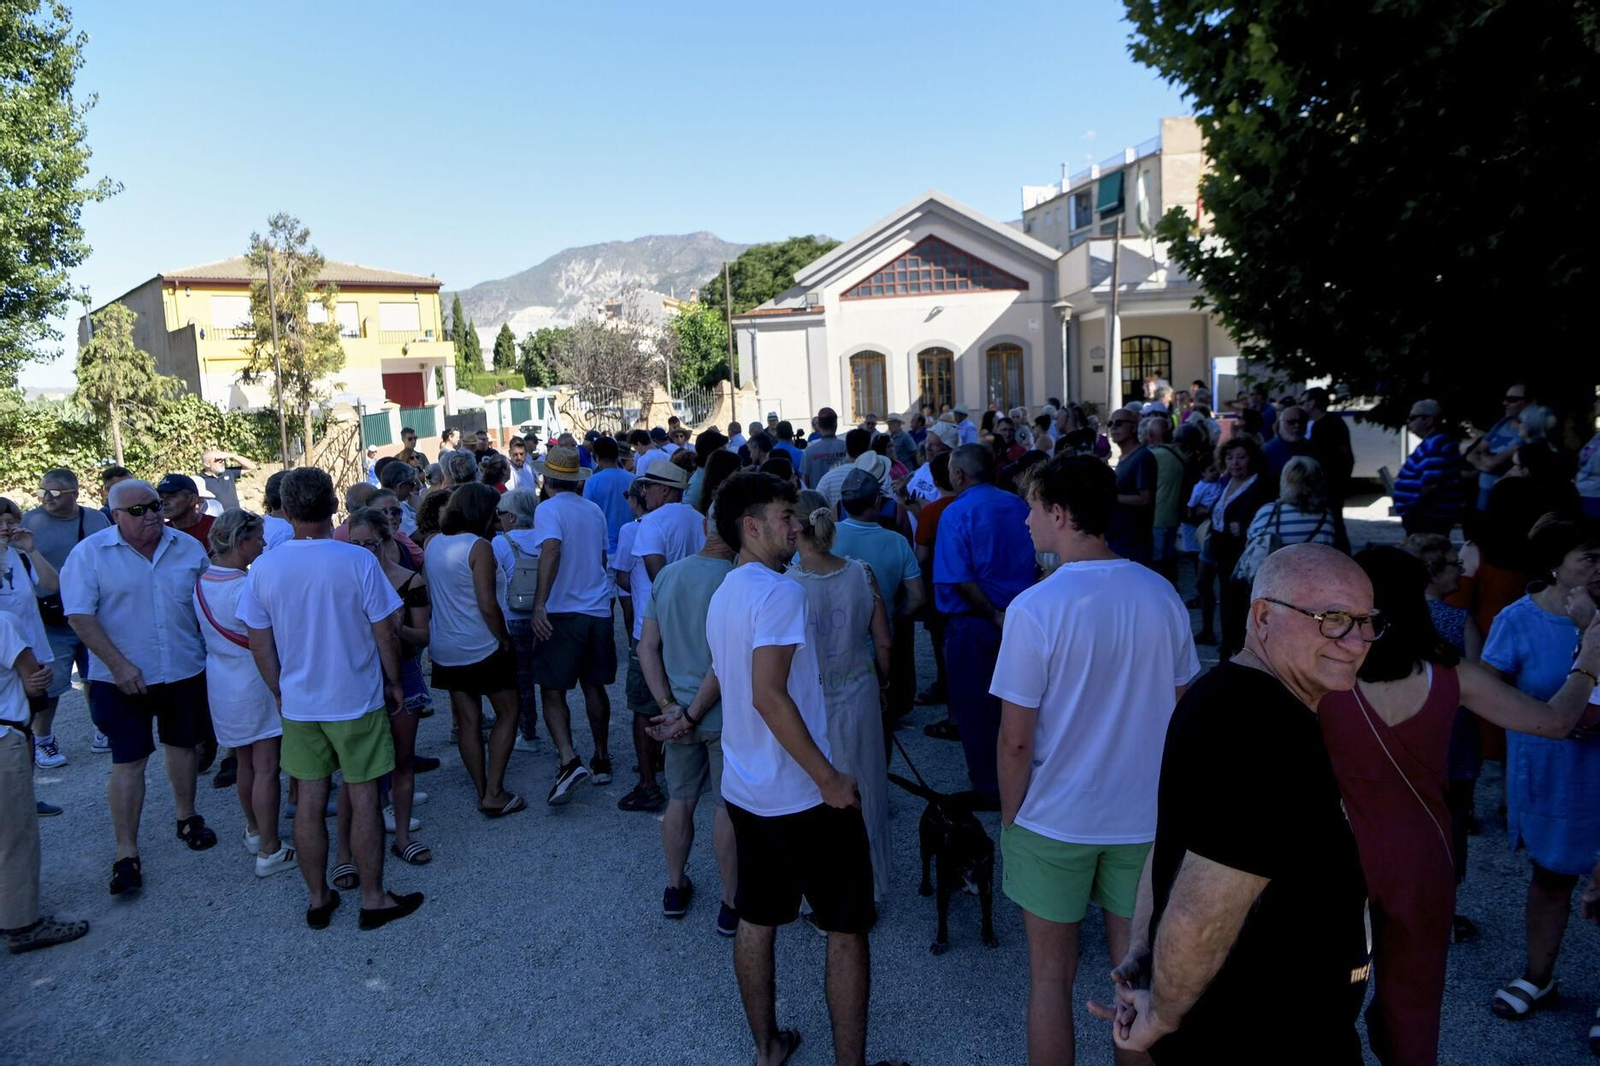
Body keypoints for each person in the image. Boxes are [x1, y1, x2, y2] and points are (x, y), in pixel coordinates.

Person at [1089, 544, 1377, 1061]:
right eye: (1331, 619)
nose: (1357, 641)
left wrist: (1142, 949)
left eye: (1365, 621)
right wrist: (1160, 1015)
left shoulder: (1221, 693)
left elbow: (1171, 843)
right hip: (1260, 1039)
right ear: (1263, 616)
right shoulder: (1265, 728)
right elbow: (1203, 907)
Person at [1317, 546, 1600, 1065]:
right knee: (1414, 999)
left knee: (1321, 996)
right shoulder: (1451, 675)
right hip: (1422, 852)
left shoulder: (1316, 674)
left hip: (1336, 853)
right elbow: (1558, 721)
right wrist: (1589, 657)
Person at [995, 454, 1199, 1065]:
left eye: (1033, 508)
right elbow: (1183, 713)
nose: (1027, 521)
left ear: (1059, 513)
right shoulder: (1161, 593)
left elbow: (1015, 739)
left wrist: (1012, 816)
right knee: (1134, 982)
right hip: (1141, 819)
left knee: (1049, 981)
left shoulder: (1036, 607)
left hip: (1054, 816)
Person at [706, 471, 896, 1066]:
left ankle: (767, 1048)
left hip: (748, 788)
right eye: (786, 515)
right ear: (752, 525)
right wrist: (829, 778)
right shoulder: (782, 591)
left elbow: (741, 687)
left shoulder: (727, 590)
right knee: (845, 929)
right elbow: (769, 694)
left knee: (756, 919)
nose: (798, 525)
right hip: (802, 794)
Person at [237, 467, 422, 930]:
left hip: (300, 704)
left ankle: (318, 897)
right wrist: (395, 681)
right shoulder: (356, 561)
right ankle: (373, 897)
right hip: (356, 698)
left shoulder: (264, 567)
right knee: (362, 796)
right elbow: (385, 633)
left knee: (311, 799)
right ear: (332, 508)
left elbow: (259, 641)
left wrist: (280, 689)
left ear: (285, 509)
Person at [61, 479, 217, 895]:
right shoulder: (90, 555)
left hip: (182, 669)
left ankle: (187, 817)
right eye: (138, 510)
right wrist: (118, 664)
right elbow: (79, 616)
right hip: (120, 678)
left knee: (183, 746)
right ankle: (126, 852)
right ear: (115, 516)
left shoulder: (186, 547)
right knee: (129, 760)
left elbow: (208, 603)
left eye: (155, 505)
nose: (151, 514)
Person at [1480, 515, 1600, 1040]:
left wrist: (1588, 629)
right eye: (1589, 558)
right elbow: (1487, 691)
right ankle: (1538, 976)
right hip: (1551, 774)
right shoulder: (1517, 619)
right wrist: (1546, 717)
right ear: (1555, 565)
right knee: (1549, 877)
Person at [787, 489, 894, 900]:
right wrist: (884, 684)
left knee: (814, 792)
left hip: (810, 702)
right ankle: (867, 883)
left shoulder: (786, 584)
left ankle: (822, 889)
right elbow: (883, 643)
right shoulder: (861, 573)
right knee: (865, 783)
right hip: (859, 691)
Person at [640, 508, 740, 934]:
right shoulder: (737, 579)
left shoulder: (668, 576)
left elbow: (647, 647)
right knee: (725, 807)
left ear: (704, 527)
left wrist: (667, 705)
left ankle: (675, 887)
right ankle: (731, 903)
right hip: (726, 716)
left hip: (676, 712)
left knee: (679, 800)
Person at [193, 510, 295, 877]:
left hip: (222, 681)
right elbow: (266, 638)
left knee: (245, 763)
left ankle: (255, 829)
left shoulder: (203, 581)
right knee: (267, 766)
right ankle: (269, 849)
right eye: (257, 538)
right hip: (254, 681)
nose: (263, 544)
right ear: (240, 542)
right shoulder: (245, 586)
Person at [934, 444, 1036, 806]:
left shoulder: (956, 511)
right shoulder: (1017, 504)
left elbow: (960, 576)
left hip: (976, 624)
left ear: (960, 475)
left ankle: (990, 787)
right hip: (1021, 618)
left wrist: (994, 614)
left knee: (977, 710)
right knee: (1019, 704)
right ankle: (1020, 779)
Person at [423, 483, 526, 819]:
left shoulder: (433, 543)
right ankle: (494, 791)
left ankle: (482, 788)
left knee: (468, 721)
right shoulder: (479, 547)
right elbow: (487, 603)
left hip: (445, 645)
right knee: (509, 712)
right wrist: (504, 638)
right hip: (482, 643)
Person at [617, 456, 707, 811]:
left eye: (647, 486)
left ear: (664, 490)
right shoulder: (699, 519)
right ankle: (691, 768)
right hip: (693, 624)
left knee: (644, 704)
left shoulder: (651, 522)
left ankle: (649, 782)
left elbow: (658, 573)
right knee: (690, 692)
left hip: (653, 627)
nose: (642, 492)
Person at [529, 445, 616, 804]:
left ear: (548, 479)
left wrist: (539, 603)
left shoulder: (547, 509)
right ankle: (601, 756)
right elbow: (600, 556)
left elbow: (551, 550)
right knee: (594, 686)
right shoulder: (593, 510)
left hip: (563, 610)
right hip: (597, 607)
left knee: (552, 690)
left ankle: (568, 758)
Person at [347, 506, 433, 867]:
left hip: (404, 672)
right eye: (356, 544)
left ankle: (401, 836)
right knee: (362, 765)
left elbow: (424, 636)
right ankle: (369, 826)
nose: (364, 550)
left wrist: (395, 629)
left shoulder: (409, 580)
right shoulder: (345, 580)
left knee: (402, 758)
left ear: (386, 541)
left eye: (370, 543)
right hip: (359, 677)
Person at [0, 611, 88, 953]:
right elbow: (36, 678)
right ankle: (22, 924)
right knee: (15, 837)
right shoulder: (3, 623)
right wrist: (31, 685)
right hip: (4, 734)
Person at [833, 468, 923, 735]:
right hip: (880, 640)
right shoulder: (896, 541)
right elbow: (917, 597)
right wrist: (893, 615)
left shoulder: (824, 537)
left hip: (835, 638)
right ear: (876, 502)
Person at [0, 500, 62, 786]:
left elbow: (52, 584)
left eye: (9, 521)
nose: (5, 527)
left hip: (30, 652)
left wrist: (31, 549)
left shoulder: (20, 557)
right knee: (9, 724)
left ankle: (26, 793)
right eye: (0, 522)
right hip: (4, 658)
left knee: (27, 723)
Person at [1207, 435, 1274, 658]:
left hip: (1243, 555)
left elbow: (1265, 518)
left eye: (1241, 457)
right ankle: (1229, 645)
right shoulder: (1227, 482)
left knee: (1239, 602)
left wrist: (1245, 528)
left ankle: (1240, 649)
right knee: (1226, 600)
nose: (1234, 462)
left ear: (1251, 459)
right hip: (1221, 551)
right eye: (1230, 457)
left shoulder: (1259, 485)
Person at [492, 490, 543, 755]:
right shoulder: (545, 537)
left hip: (514, 617)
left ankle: (530, 733)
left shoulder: (500, 543)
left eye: (500, 514)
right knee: (549, 679)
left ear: (511, 516)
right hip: (544, 614)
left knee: (522, 680)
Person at [912, 453, 957, 728]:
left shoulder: (932, 511)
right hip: (974, 588)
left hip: (941, 590)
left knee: (942, 647)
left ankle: (950, 701)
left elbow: (921, 557)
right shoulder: (962, 504)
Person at [1393, 400, 1467, 536]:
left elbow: (1432, 484)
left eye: (1413, 418)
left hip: (1429, 516)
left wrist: (1414, 508)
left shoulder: (1434, 445)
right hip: (1430, 515)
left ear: (1428, 420)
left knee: (1426, 552)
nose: (1408, 422)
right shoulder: (1435, 442)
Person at [1299, 387, 1355, 551]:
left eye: (1303, 402)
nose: (1301, 406)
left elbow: (1342, 456)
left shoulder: (1331, 423)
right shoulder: (1317, 424)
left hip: (1331, 485)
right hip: (1325, 485)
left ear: (1313, 403)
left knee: (1334, 524)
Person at [1104, 410, 1156, 565]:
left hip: (1134, 539)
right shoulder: (1123, 457)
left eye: (1119, 423)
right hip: (1119, 536)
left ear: (1133, 427)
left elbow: (1144, 498)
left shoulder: (1142, 457)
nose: (1114, 428)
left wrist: (1111, 496)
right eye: (1111, 424)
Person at [1147, 417, 1187, 584]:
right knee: (1169, 556)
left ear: (1150, 435)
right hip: (1174, 514)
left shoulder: (1154, 456)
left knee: (1156, 561)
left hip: (1158, 515)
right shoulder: (1179, 453)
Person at [582, 435, 634, 555]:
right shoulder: (632, 479)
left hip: (604, 549)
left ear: (597, 456)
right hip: (630, 546)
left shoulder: (592, 481)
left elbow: (587, 515)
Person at [155, 474, 214, 551]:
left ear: (193, 499)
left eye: (172, 496)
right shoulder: (160, 532)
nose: (164, 502)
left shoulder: (215, 527)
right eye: (161, 497)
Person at [1261, 406, 1313, 491]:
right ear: (1280, 423)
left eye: (1301, 421)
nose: (1297, 425)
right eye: (1291, 422)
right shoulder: (1267, 451)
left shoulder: (1314, 448)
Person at [800, 407, 848, 490]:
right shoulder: (847, 447)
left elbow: (805, 482)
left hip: (818, 499)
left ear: (819, 425)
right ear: (836, 425)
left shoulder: (809, 451)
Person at [684, 430, 728, 510]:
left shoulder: (711, 476)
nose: (728, 453)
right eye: (723, 450)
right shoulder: (698, 485)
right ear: (710, 453)